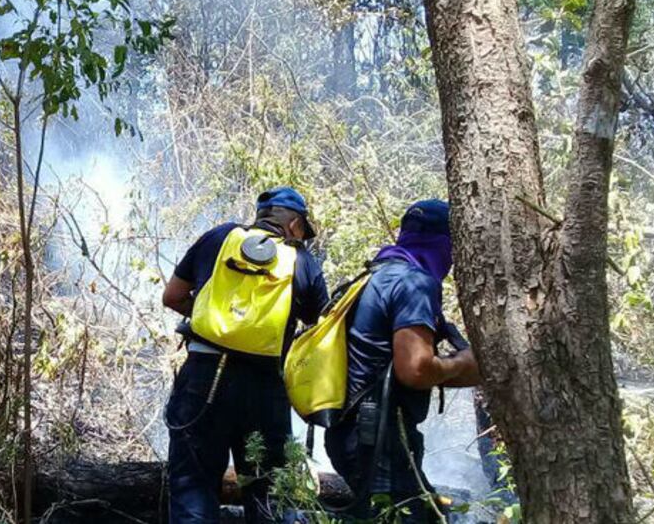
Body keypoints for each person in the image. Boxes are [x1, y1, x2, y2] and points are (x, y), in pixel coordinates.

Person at [161, 187, 329, 523]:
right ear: (294, 224)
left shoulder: (219, 237)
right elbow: (318, 325)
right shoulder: (303, 261)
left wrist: (212, 313)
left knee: (193, 490)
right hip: (265, 387)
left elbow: (172, 296)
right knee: (269, 494)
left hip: (204, 377)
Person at [324, 199, 480, 522]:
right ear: (445, 244)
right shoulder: (414, 283)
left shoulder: (373, 275)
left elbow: (391, 365)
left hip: (353, 435)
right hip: (379, 439)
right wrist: (465, 363)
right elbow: (416, 369)